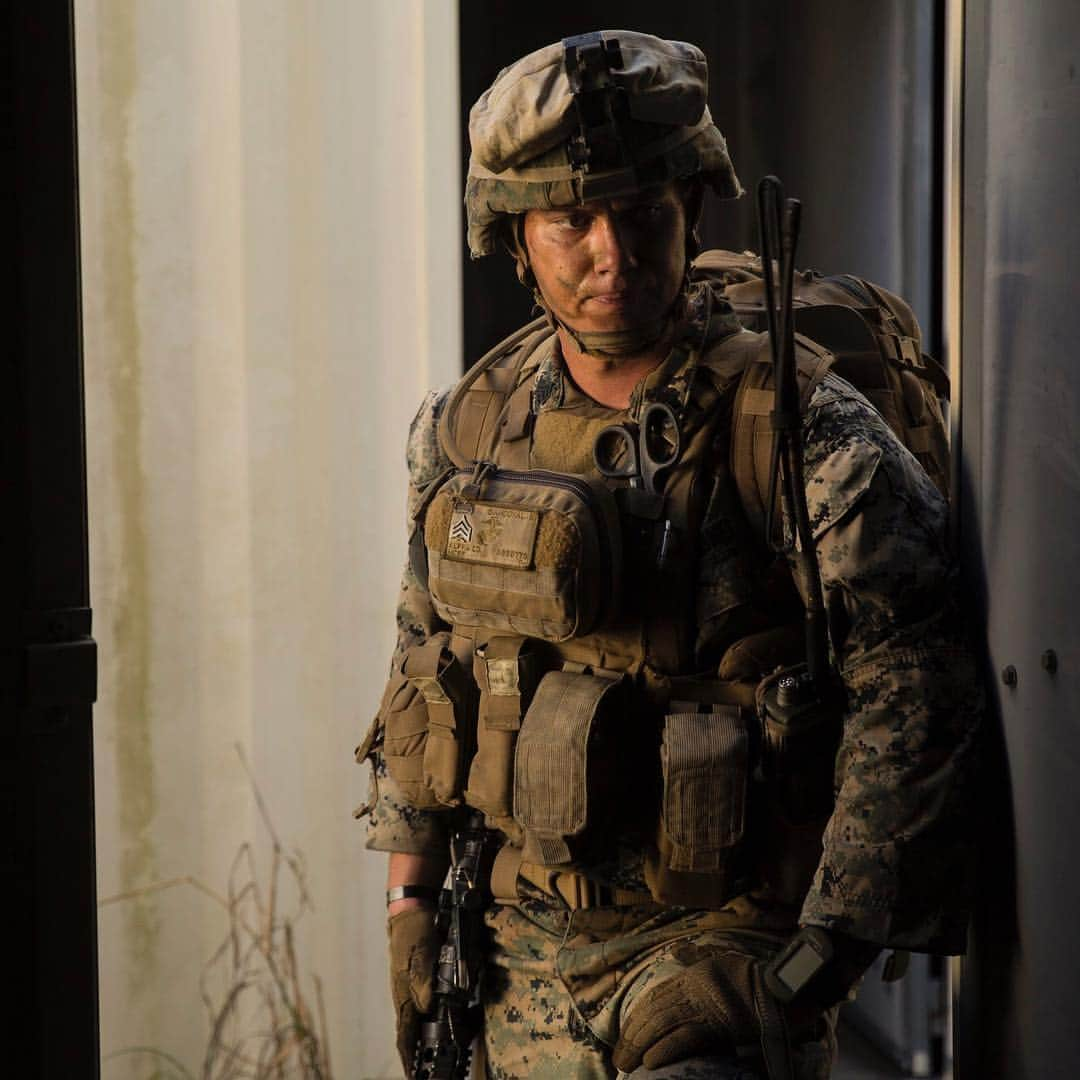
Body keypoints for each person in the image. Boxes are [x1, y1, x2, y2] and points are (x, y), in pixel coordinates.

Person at [355, 29, 980, 1080]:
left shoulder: (791, 422)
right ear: (516, 236)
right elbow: (424, 660)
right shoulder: (468, 429)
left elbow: (918, 673)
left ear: (690, 206)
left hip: (718, 954)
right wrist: (411, 904)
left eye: (642, 213)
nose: (613, 252)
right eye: (570, 220)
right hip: (510, 956)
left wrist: (827, 947)